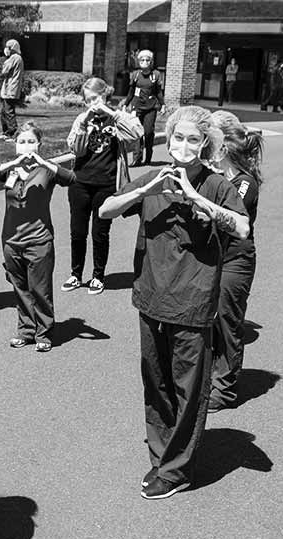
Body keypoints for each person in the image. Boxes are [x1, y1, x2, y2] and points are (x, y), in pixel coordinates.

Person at [98, 106, 250, 500]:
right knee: (156, 381)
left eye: (192, 139)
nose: (183, 146)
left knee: (188, 386)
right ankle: (160, 455)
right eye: (177, 138)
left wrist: (197, 198)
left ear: (205, 145)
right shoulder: (155, 179)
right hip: (150, 296)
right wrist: (144, 190)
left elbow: (243, 227)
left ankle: (177, 470)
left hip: (192, 301)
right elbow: (106, 209)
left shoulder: (216, 185)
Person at [0, 122, 76, 352]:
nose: (26, 146)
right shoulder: (10, 169)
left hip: (39, 240)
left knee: (40, 290)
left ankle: (44, 331)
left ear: (39, 144)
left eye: (31, 141)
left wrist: (45, 162)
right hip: (11, 240)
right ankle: (25, 329)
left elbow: (71, 178)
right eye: (21, 142)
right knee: (20, 287)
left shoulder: (46, 170)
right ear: (15, 145)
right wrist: (14, 163)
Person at [64, 77, 143, 296]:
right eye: (88, 100)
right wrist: (83, 123)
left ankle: (98, 276)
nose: (92, 104)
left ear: (105, 96)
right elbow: (76, 150)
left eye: (96, 98)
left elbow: (137, 135)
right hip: (80, 183)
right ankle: (76, 274)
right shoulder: (82, 119)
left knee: (100, 233)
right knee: (77, 232)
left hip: (107, 184)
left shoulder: (119, 119)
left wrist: (112, 114)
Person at [208, 110, 264, 412]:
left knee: (227, 323)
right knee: (209, 322)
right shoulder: (215, 176)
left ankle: (225, 390)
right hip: (213, 259)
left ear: (224, 144)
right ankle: (208, 379)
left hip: (235, 261)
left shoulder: (245, 182)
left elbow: (230, 218)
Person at [120, 49, 164, 166]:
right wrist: (125, 104)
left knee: (148, 132)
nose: (145, 62)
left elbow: (159, 92)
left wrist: (162, 105)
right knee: (137, 133)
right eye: (142, 59)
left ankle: (148, 156)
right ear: (139, 61)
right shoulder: (135, 75)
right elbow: (131, 91)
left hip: (151, 107)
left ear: (151, 61)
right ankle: (137, 159)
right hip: (137, 106)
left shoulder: (156, 75)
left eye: (147, 60)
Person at [0, 39, 25, 139]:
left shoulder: (14, 57)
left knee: (8, 112)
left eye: (8, 47)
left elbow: (4, 71)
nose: (6, 49)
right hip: (11, 89)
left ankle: (12, 133)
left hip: (11, 89)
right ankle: (6, 132)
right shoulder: (18, 58)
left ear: (13, 48)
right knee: (4, 112)